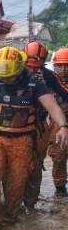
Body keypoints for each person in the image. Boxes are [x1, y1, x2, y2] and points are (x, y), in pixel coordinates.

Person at [0, 47, 68, 230]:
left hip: (23, 140)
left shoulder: (35, 85)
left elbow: (52, 107)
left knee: (16, 183)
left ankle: (10, 216)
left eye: (9, 76)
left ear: (19, 69)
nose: (5, 79)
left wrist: (63, 126)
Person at [22, 41, 51, 209]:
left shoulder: (49, 78)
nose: (32, 70)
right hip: (17, 127)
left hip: (39, 126)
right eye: (29, 66)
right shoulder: (14, 75)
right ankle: (13, 202)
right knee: (14, 165)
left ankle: (30, 204)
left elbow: (62, 95)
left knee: (36, 165)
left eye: (36, 67)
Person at [46, 48, 68, 198]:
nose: (63, 69)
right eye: (60, 65)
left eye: (66, 65)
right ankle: (60, 187)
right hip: (57, 123)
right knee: (59, 156)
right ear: (54, 66)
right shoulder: (48, 83)